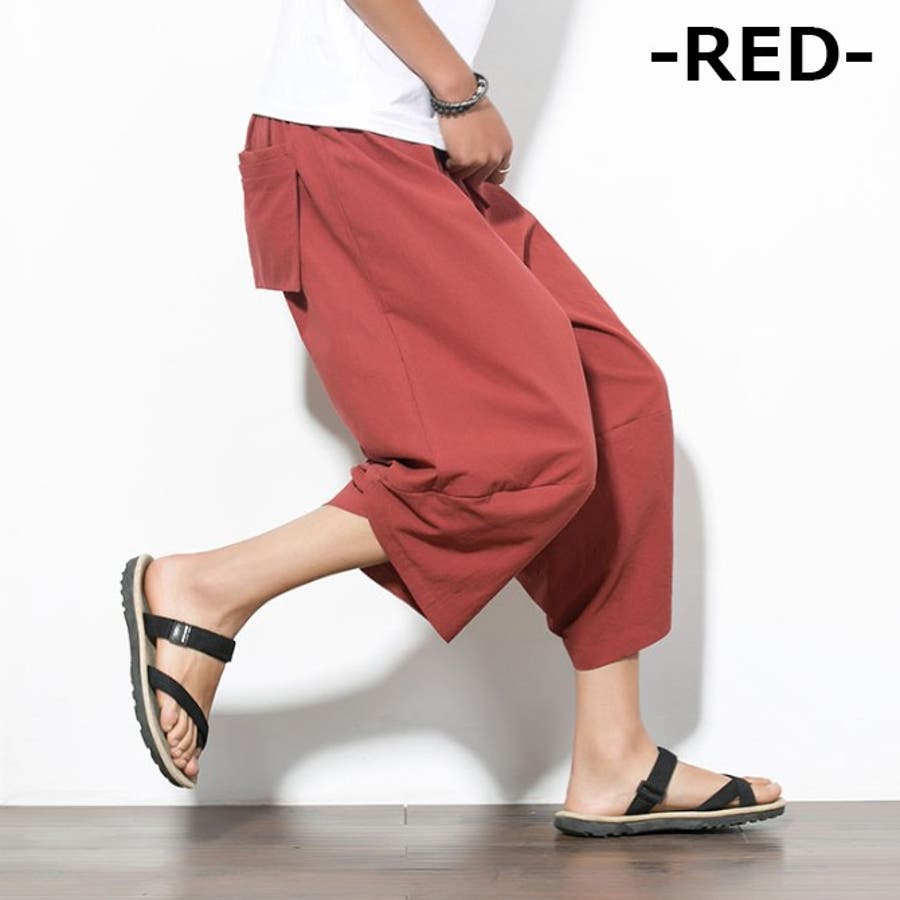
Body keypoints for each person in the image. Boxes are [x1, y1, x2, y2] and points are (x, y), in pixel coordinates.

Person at [121, 0, 785, 837]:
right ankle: (210, 587)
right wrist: (457, 89)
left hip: (414, 145)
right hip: (348, 133)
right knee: (523, 453)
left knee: (618, 397)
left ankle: (614, 754)